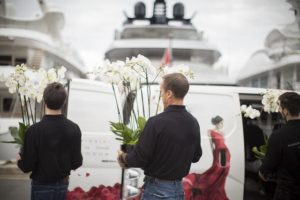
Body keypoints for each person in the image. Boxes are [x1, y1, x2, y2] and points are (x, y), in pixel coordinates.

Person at [117, 73, 202, 199]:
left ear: (169, 94)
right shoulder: (193, 123)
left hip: (157, 191)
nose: (160, 95)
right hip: (178, 190)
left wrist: (123, 157)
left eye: (161, 91)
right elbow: (196, 156)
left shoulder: (155, 122)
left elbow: (140, 158)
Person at [17, 82, 83, 200]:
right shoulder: (74, 128)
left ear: (44, 100)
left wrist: (19, 160)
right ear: (64, 102)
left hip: (40, 186)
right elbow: (77, 162)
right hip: (63, 186)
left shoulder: (33, 131)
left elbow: (27, 166)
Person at [259, 92, 300, 200]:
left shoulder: (279, 136)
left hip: (287, 193)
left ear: (285, 111)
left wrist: (262, 173)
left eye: (281, 109)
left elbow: (267, 169)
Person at [183, 115, 230, 200]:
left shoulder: (222, 133)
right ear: (217, 123)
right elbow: (211, 144)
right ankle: (209, 188)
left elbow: (223, 143)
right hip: (218, 153)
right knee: (216, 171)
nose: (223, 125)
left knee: (222, 172)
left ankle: (217, 189)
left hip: (225, 153)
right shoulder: (210, 131)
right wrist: (214, 154)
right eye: (221, 123)